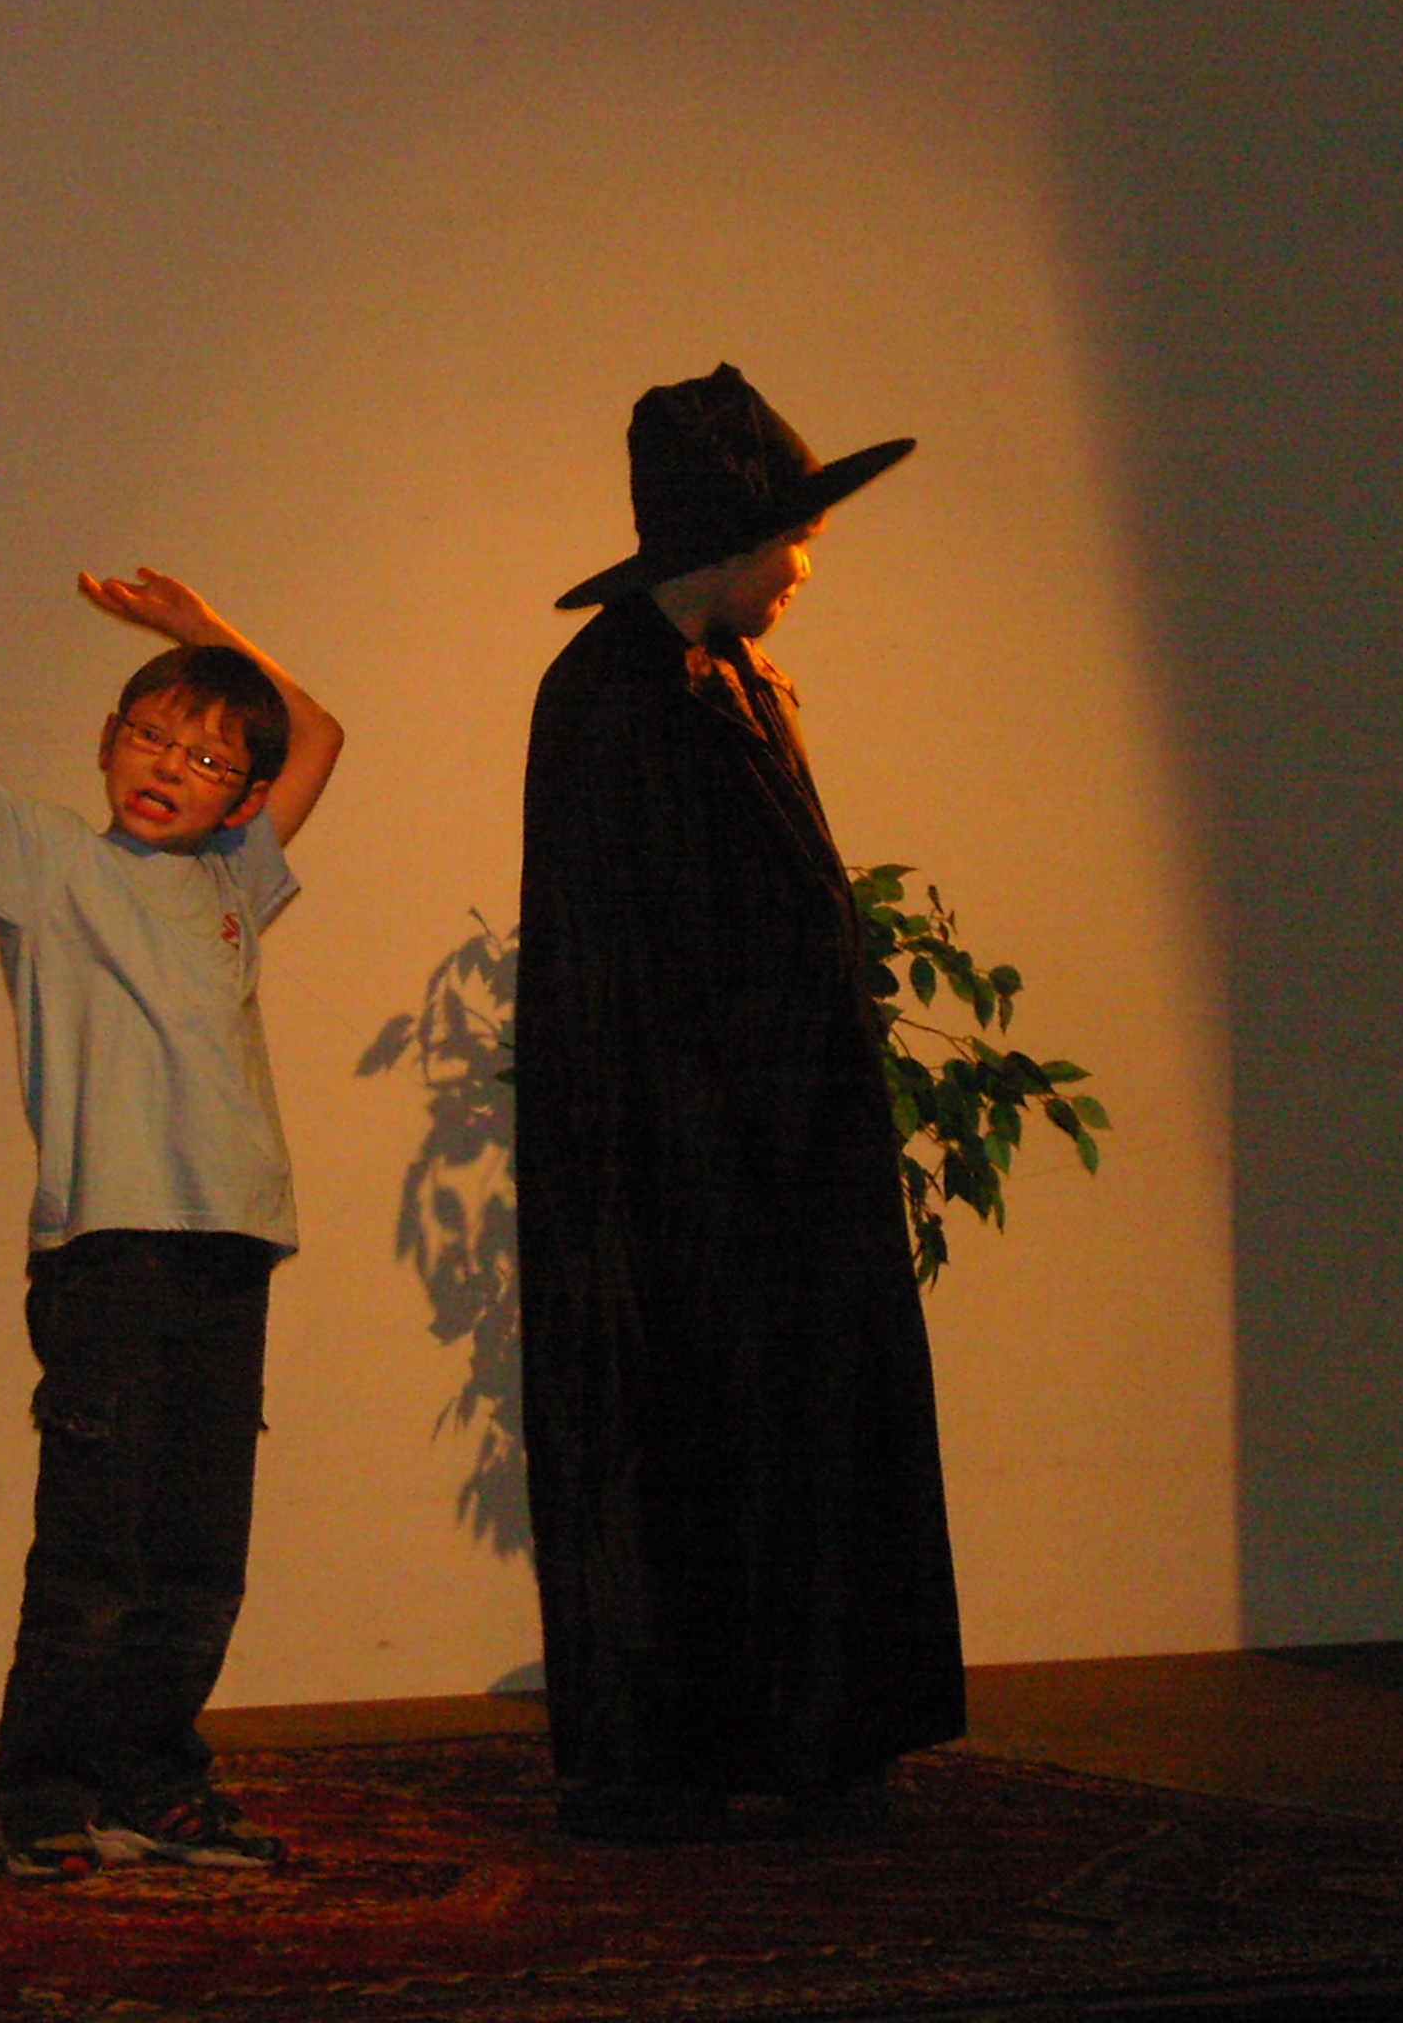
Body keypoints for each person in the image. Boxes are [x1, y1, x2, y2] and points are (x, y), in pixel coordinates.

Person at [514, 363, 965, 1842]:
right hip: (681, 1161)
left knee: (807, 1426)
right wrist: (714, 1142)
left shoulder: (732, 680)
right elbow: (627, 957)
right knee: (683, 1437)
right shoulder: (614, 698)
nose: (806, 569)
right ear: (728, 544)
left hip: (782, 1145)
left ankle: (818, 1729)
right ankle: (672, 1748)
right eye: (794, 540)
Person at [0, 494, 345, 1881]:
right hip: (110, 1257)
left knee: (199, 1552)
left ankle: (153, 1780)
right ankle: (44, 1791)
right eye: (150, 735)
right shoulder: (49, 861)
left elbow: (318, 733)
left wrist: (206, 632)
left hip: (232, 1249)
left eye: (206, 758)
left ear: (239, 799)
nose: (170, 766)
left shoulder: (239, 881)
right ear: (106, 740)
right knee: (94, 1553)